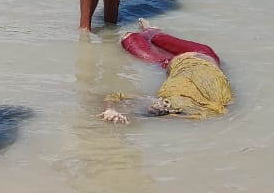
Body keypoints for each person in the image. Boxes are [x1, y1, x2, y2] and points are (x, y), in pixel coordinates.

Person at [99, 19, 232, 123]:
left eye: (155, 105)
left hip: (168, 63)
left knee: (128, 37)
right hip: (204, 54)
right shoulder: (202, 108)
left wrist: (110, 110)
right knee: (157, 37)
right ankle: (151, 31)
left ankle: (149, 31)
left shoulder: (165, 101)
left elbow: (116, 95)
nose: (156, 104)